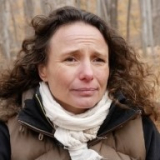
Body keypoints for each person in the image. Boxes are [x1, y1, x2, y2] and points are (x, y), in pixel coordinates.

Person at [0, 6, 160, 160]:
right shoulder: (7, 132)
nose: (88, 74)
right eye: (71, 59)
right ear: (43, 70)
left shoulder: (140, 128)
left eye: (98, 60)